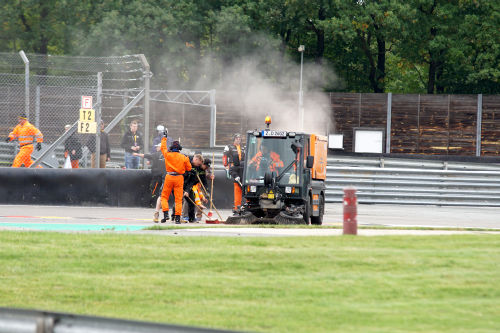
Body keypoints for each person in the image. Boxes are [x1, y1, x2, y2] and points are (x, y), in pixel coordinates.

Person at [160, 137, 191, 224]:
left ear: (171, 148)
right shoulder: (184, 157)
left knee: (164, 197)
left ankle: (166, 214)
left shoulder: (167, 154)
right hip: (179, 178)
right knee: (178, 199)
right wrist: (185, 160)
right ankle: (177, 218)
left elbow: (163, 147)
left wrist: (164, 138)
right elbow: (189, 168)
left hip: (169, 177)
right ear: (179, 149)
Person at [133, 144, 166, 222]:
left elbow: (146, 155)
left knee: (154, 189)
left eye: (157, 147)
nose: (156, 148)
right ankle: (159, 205)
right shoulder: (166, 154)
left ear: (160, 148)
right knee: (162, 191)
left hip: (157, 175)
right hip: (165, 175)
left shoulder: (156, 154)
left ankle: (152, 203)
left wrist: (137, 154)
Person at [182, 154, 213, 222]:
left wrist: (208, 193)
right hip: (187, 184)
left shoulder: (203, 170)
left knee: (201, 197)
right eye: (206, 166)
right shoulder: (194, 166)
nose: (206, 168)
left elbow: (204, 182)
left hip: (195, 186)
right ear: (202, 163)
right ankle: (184, 215)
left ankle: (198, 216)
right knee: (187, 199)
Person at [223, 133, 245, 214]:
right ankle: (236, 206)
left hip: (241, 167)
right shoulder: (229, 147)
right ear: (234, 139)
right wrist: (226, 166)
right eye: (237, 138)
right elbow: (225, 156)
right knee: (236, 186)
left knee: (241, 187)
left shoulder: (243, 147)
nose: (238, 140)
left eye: (239, 138)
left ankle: (240, 205)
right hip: (232, 166)